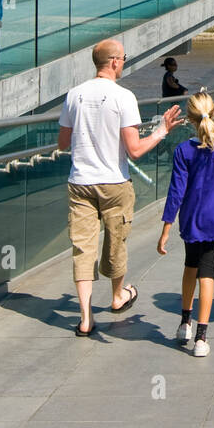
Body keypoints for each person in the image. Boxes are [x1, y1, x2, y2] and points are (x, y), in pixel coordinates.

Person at [58, 39, 184, 336]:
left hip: (80, 182)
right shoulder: (123, 97)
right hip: (114, 181)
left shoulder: (74, 95)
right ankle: (117, 297)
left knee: (82, 247)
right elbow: (135, 150)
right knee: (116, 241)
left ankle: (86, 317)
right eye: (124, 58)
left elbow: (64, 143)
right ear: (114, 61)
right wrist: (161, 131)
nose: (124, 62)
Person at [157, 90, 214, 357]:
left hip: (191, 218)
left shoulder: (183, 151)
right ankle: (201, 337)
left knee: (190, 266)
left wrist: (165, 229)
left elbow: (176, 192)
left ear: (189, 117)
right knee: (207, 272)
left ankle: (185, 322)